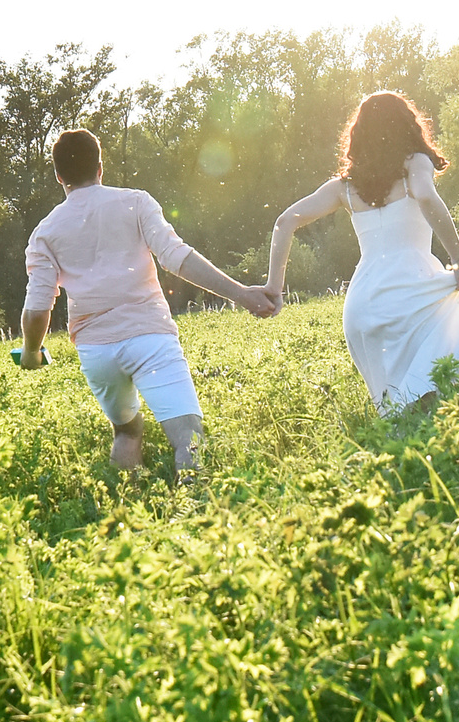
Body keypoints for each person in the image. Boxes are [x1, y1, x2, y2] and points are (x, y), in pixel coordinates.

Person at [18, 127, 277, 473]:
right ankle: (194, 501)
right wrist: (241, 294)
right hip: (150, 337)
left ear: (59, 176)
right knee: (188, 436)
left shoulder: (45, 233)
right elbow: (176, 257)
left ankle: (126, 503)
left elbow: (38, 308)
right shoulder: (135, 201)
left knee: (127, 431)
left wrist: (31, 351)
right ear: (100, 168)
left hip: (97, 351)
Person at [264, 90, 459, 413]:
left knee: (395, 409)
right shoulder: (416, 163)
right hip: (411, 293)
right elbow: (426, 196)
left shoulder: (344, 188)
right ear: (406, 126)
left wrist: (274, 287)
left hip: (363, 306)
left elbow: (285, 222)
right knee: (434, 389)